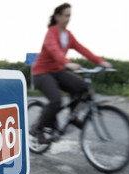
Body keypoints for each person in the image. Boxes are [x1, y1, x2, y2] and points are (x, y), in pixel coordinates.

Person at [30, 3, 112, 144]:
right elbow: (54, 50)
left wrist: (100, 61)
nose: (69, 18)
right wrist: (67, 62)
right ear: (57, 17)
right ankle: (37, 128)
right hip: (42, 73)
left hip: (58, 71)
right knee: (56, 101)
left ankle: (73, 116)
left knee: (81, 87)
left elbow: (82, 49)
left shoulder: (68, 35)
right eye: (66, 15)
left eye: (70, 16)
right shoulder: (51, 33)